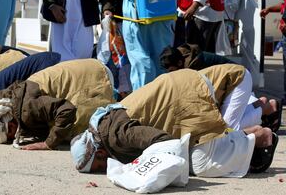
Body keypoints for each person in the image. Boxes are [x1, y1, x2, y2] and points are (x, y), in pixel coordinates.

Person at [71, 64, 279, 175]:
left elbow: (165, 141)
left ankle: (261, 137)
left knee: (203, 160)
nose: (104, 167)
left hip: (192, 95)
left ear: (99, 151)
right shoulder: (106, 126)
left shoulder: (118, 135)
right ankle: (261, 110)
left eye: (99, 165)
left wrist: (143, 169)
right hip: (188, 89)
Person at [0, 59, 115, 150]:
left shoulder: (28, 107)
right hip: (88, 66)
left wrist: (48, 143)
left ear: (11, 121)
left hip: (95, 75)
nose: (11, 137)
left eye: (9, 133)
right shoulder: (12, 102)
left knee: (80, 125)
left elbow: (66, 110)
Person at [160, 43, 234, 71]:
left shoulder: (193, 66)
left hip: (235, 73)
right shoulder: (180, 55)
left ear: (179, 63)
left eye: (171, 71)